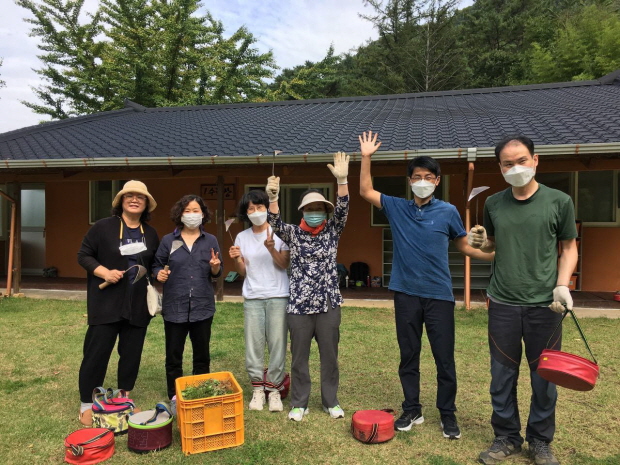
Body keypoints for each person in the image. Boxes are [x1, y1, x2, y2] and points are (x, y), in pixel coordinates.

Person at [358, 131, 494, 440]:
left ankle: (447, 414)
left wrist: (492, 252)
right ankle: (412, 408)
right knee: (409, 354)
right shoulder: (397, 207)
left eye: (429, 176)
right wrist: (366, 156)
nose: (423, 180)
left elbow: (464, 245)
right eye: (417, 176)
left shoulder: (447, 211)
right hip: (406, 293)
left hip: (439, 295)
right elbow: (366, 190)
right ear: (410, 181)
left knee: (443, 357)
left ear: (437, 181)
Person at [469, 136, 577, 465]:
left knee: (544, 377)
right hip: (502, 301)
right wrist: (482, 241)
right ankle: (506, 437)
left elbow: (569, 248)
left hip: (546, 305)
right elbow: (492, 248)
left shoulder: (559, 202)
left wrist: (562, 285)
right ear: (500, 167)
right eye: (508, 163)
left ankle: (540, 441)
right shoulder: (494, 204)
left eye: (522, 160)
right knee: (502, 374)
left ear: (535, 160)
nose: (516, 168)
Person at [266, 152, 349, 422]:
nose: (315, 213)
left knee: (330, 357)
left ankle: (330, 401)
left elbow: (344, 209)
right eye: (310, 209)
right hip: (299, 306)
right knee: (299, 358)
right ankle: (300, 403)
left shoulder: (332, 230)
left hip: (328, 304)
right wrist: (274, 198)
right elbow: (275, 223)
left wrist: (343, 181)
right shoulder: (292, 232)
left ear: (326, 211)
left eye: (319, 209)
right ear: (302, 211)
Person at [77, 180, 159, 425]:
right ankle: (87, 403)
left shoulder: (151, 233)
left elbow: (153, 263)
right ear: (121, 201)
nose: (134, 200)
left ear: (146, 204)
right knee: (97, 353)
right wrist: (103, 272)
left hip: (137, 303)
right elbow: (84, 255)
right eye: (129, 196)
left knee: (131, 353)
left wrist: (159, 272)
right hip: (106, 301)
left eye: (140, 197)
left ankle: (124, 397)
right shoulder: (103, 228)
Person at [153, 195, 222, 412]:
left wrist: (215, 267)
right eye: (188, 211)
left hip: (202, 305)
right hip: (175, 306)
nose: (192, 215)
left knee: (202, 354)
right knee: (174, 354)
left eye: (196, 210)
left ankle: (201, 390)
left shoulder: (210, 240)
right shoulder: (168, 240)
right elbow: (156, 265)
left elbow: (217, 271)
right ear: (180, 214)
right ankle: (175, 396)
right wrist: (159, 274)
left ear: (203, 214)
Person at [228, 190, 290, 412]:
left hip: (278, 295)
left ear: (267, 208)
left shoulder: (279, 232)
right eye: (251, 208)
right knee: (253, 344)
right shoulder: (241, 237)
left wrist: (271, 248)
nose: (256, 212)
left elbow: (284, 264)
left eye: (260, 207)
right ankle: (257, 388)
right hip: (253, 296)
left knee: (277, 343)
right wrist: (236, 259)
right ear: (246, 212)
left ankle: (274, 390)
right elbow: (243, 272)